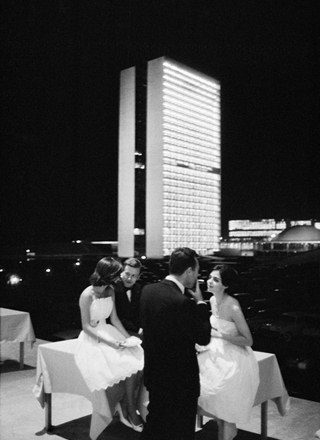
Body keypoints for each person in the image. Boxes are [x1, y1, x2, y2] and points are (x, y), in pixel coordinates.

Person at [140, 247, 211, 440]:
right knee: (181, 431)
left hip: (155, 374)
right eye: (196, 271)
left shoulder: (148, 291)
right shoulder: (182, 302)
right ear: (189, 271)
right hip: (180, 382)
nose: (197, 276)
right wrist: (201, 304)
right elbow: (204, 337)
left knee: (155, 425)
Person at [74, 257, 144, 432]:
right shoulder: (86, 295)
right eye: (118, 274)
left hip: (108, 330)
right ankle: (126, 408)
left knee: (137, 359)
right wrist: (111, 343)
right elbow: (85, 326)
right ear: (108, 274)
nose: (120, 278)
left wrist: (128, 339)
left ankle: (129, 406)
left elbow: (114, 319)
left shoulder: (110, 290)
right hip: (93, 336)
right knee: (128, 363)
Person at [197, 264, 260, 440]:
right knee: (213, 403)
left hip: (234, 357)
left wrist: (220, 335)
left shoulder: (233, 306)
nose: (209, 281)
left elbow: (248, 340)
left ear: (225, 285)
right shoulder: (212, 301)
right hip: (215, 352)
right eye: (210, 277)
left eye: (215, 279)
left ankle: (227, 432)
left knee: (226, 408)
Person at [114, 257, 143, 337]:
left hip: (136, 333)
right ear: (121, 272)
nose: (129, 278)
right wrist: (137, 330)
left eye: (134, 276)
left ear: (138, 277)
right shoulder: (113, 289)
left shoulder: (139, 289)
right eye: (127, 274)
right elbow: (115, 318)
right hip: (115, 332)